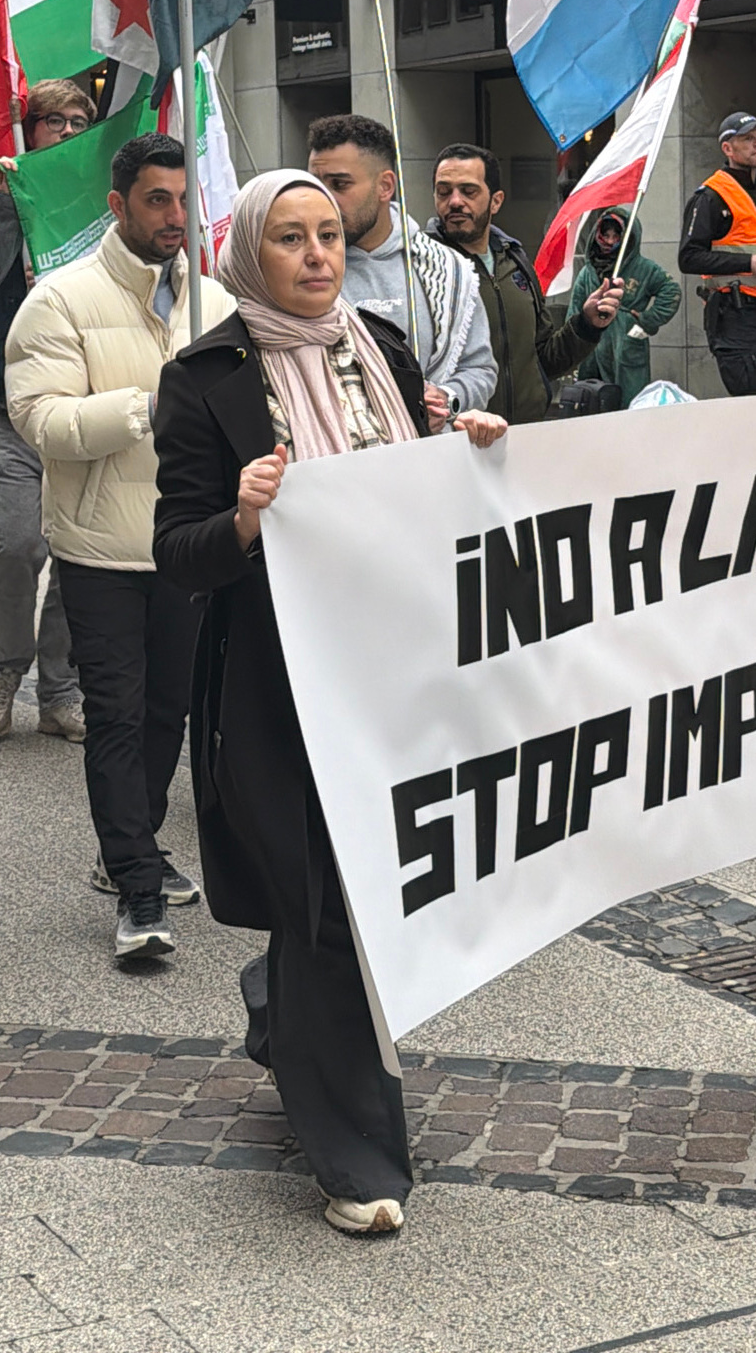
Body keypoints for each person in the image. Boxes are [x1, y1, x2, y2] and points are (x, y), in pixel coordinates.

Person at [153, 169, 506, 1238]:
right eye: (290, 239)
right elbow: (178, 554)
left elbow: (422, 496)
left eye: (328, 235)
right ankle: (356, 1152)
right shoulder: (205, 379)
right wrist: (244, 517)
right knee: (319, 901)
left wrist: (476, 454)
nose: (317, 255)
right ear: (248, 254)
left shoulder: (385, 348)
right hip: (278, 682)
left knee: (364, 891)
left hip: (395, 667)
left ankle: (282, 1009)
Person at [5, 133, 236, 962]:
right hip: (100, 547)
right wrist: (148, 405)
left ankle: (129, 847)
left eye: (182, 199)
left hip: (187, 545)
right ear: (118, 205)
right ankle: (137, 887)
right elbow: (41, 420)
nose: (174, 215)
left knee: (168, 710)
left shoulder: (216, 300)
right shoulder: (59, 301)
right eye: (155, 200)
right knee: (116, 716)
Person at [0, 78, 96, 746]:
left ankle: (61, 688)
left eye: (79, 121)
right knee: (16, 542)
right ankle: (3, 672)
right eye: (54, 120)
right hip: (5, 410)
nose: (67, 132)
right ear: (27, 131)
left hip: (82, 411)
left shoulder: (99, 206)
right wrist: (6, 217)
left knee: (76, 549)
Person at [306, 113, 496, 428]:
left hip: (431, 452)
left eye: (339, 184)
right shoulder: (300, 270)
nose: (323, 198)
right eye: (316, 184)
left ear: (385, 186)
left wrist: (444, 400)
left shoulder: (448, 270)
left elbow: (479, 369)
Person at [431, 142, 621, 422]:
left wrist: (587, 324)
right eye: (444, 192)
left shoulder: (515, 261)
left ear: (496, 201)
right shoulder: (423, 268)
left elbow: (543, 359)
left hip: (527, 432)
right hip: (457, 435)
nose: (455, 201)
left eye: (469, 191)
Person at [678, 111, 756, 397]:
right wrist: (748, 263)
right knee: (752, 401)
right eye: (747, 139)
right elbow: (689, 257)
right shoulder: (711, 195)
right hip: (732, 313)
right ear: (728, 148)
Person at [569, 206, 681, 404]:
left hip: (627, 338)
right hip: (593, 342)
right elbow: (575, 309)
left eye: (616, 236)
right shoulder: (588, 271)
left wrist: (646, 321)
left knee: (631, 398)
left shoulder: (644, 268)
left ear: (627, 237)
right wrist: (572, 344)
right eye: (606, 235)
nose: (610, 241)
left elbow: (671, 291)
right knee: (592, 400)